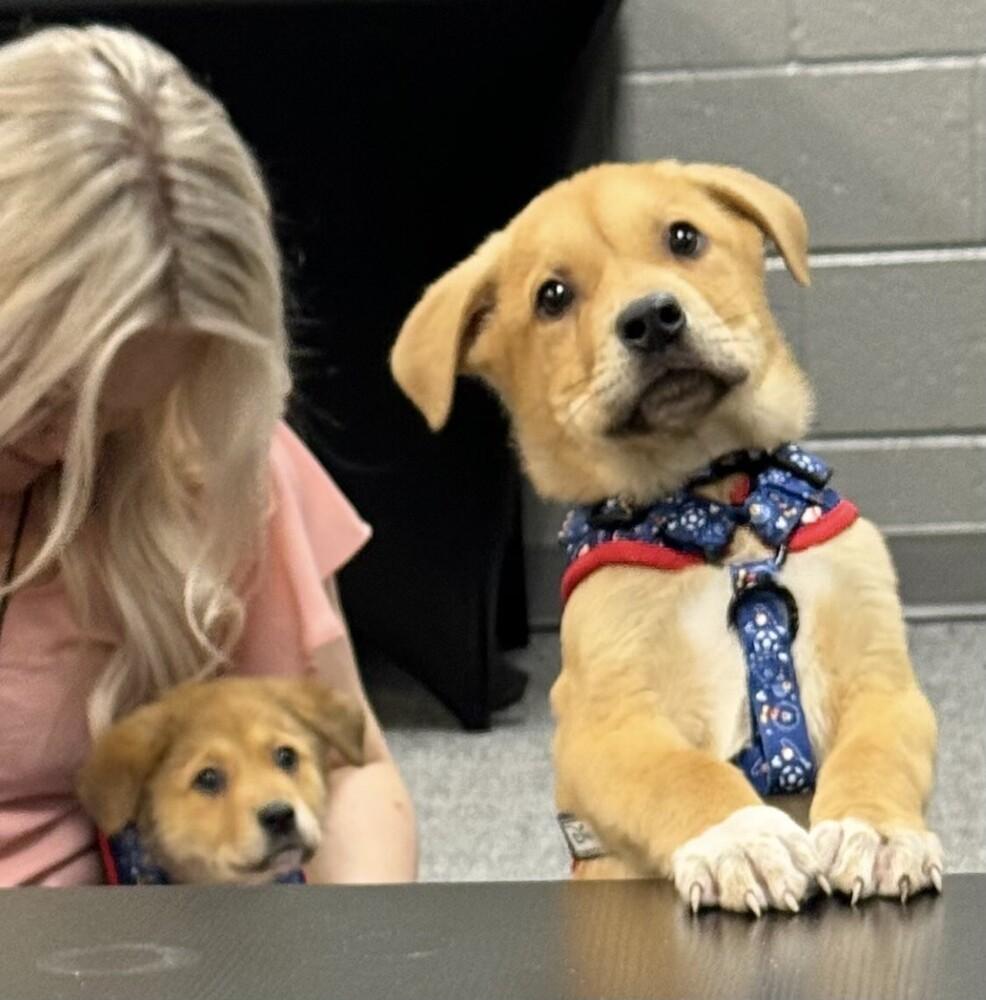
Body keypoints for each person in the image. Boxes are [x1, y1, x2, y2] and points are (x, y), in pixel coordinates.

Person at [0, 24, 416, 885]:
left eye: (114, 413)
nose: (61, 443)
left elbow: (348, 769)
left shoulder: (204, 448)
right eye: (35, 390)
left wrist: (360, 960)